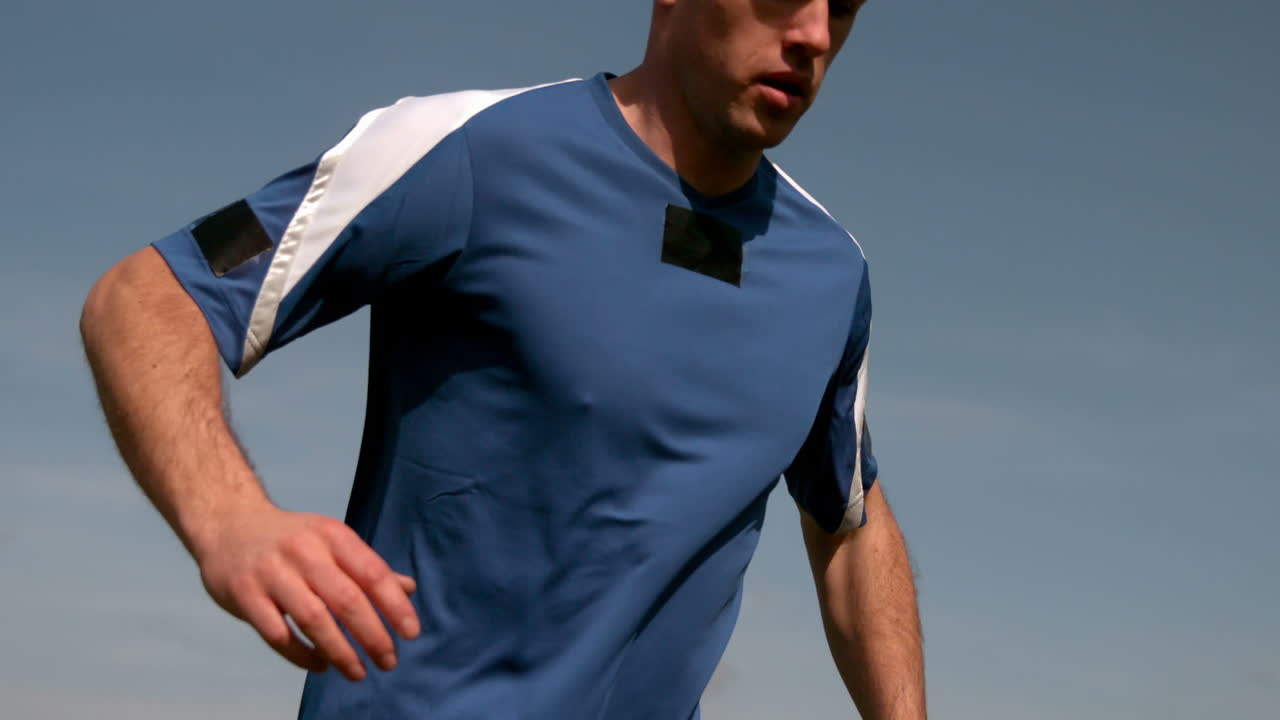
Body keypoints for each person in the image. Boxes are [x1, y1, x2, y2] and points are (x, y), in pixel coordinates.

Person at [81, 0, 924, 717]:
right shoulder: (461, 147)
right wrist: (229, 518)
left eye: (842, 6)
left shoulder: (830, 273)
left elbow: (849, 516)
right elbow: (151, 294)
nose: (813, 34)